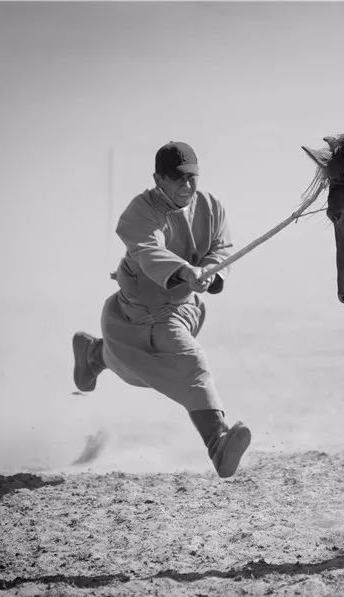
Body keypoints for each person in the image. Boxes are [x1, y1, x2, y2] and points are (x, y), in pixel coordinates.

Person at [72, 141, 251, 478]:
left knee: (154, 360)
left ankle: (94, 355)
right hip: (137, 311)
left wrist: (211, 273)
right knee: (190, 361)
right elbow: (147, 249)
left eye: (191, 177)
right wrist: (185, 271)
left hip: (180, 309)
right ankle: (218, 443)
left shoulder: (211, 207)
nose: (187, 185)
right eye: (177, 178)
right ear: (158, 179)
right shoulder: (139, 211)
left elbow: (222, 247)